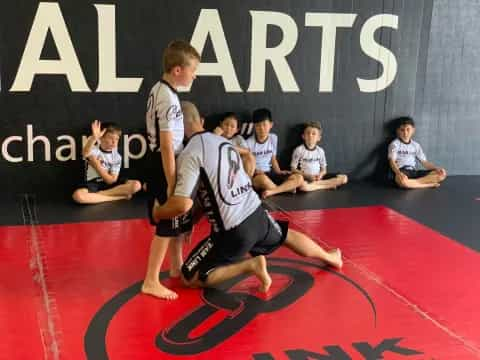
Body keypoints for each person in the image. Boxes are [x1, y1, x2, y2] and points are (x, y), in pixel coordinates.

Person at [152, 101, 342, 294]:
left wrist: (158, 212)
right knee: (286, 236)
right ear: (201, 120)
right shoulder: (224, 142)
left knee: (188, 277)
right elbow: (216, 188)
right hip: (257, 212)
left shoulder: (190, 152)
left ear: (177, 126)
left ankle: (250, 265)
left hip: (233, 232)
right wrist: (194, 220)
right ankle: (330, 257)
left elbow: (183, 204)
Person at [142, 40, 201, 300]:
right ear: (178, 70)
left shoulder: (162, 90)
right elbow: (166, 145)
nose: (195, 75)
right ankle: (151, 280)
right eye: (193, 69)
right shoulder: (167, 97)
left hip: (166, 160)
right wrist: (172, 179)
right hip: (164, 162)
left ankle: (176, 266)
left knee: (177, 221)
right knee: (167, 223)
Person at [72, 120, 141, 204]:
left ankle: (99, 196)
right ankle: (118, 197)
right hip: (93, 183)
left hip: (111, 186)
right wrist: (94, 137)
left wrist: (96, 165)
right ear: (101, 138)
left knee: (136, 185)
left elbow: (111, 180)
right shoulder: (93, 150)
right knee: (78, 196)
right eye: (110, 138)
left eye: (117, 139)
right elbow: (85, 153)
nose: (114, 142)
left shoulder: (117, 156)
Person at [246, 108, 304, 198]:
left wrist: (279, 171)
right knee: (263, 179)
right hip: (258, 176)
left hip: (270, 173)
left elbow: (273, 158)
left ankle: (273, 191)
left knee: (299, 178)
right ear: (254, 126)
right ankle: (285, 189)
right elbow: (247, 164)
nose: (261, 128)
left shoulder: (273, 138)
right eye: (258, 125)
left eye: (264, 125)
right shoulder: (249, 142)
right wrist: (255, 171)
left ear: (271, 125)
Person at [388, 116, 447, 189]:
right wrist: (398, 173)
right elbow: (392, 162)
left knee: (441, 175)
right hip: (402, 171)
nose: (405, 133)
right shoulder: (395, 144)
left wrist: (437, 168)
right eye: (402, 130)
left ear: (413, 130)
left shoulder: (415, 145)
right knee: (401, 180)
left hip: (413, 172)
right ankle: (428, 185)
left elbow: (425, 163)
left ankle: (413, 183)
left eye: (408, 129)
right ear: (397, 131)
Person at [291, 122, 348, 191]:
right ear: (303, 136)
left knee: (344, 178)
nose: (310, 135)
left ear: (319, 138)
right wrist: (307, 176)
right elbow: (293, 169)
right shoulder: (299, 150)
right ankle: (328, 185)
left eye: (313, 134)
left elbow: (324, 170)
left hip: (318, 178)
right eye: (308, 133)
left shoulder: (320, 151)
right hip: (305, 178)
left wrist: (320, 175)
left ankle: (318, 185)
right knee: (303, 186)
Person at [213, 112, 256, 177]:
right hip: (221, 168)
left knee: (250, 156)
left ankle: (247, 183)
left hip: (236, 169)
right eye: (226, 124)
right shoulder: (215, 137)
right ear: (221, 124)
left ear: (237, 130)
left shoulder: (238, 138)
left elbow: (247, 151)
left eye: (232, 126)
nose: (228, 128)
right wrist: (214, 137)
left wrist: (229, 147)